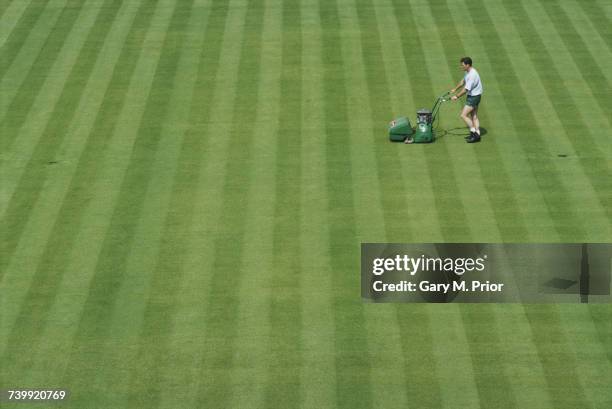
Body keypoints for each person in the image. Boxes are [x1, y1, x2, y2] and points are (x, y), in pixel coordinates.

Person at [450, 57, 483, 143]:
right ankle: (478, 134)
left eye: (463, 65)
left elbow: (466, 90)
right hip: (476, 96)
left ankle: (474, 133)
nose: (461, 67)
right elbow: (462, 82)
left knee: (463, 115)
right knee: (474, 116)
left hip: (474, 97)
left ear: (468, 65)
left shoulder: (472, 75)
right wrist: (455, 89)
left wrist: (456, 96)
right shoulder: (468, 72)